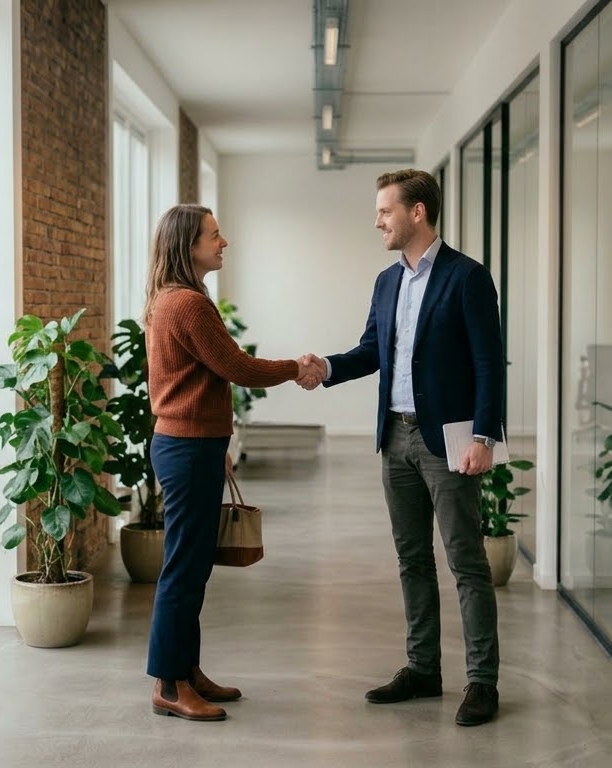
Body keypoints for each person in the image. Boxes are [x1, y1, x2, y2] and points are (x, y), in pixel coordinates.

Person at [299, 169, 504, 726]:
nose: (377, 221)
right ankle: (423, 669)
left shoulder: (468, 277)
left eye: (385, 210)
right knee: (411, 559)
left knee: (466, 561)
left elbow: (489, 363)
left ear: (418, 212)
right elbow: (373, 350)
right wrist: (329, 368)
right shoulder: (387, 282)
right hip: (396, 437)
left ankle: (482, 682)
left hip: (449, 441)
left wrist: (484, 437)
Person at [143, 204, 324, 722]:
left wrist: (214, 441)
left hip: (190, 445)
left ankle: (184, 670)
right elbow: (236, 368)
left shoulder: (174, 300)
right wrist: (296, 367)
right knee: (184, 567)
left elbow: (194, 383)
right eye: (215, 235)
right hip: (186, 449)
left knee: (194, 566)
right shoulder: (188, 305)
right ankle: (170, 686)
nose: (224, 243)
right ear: (188, 245)